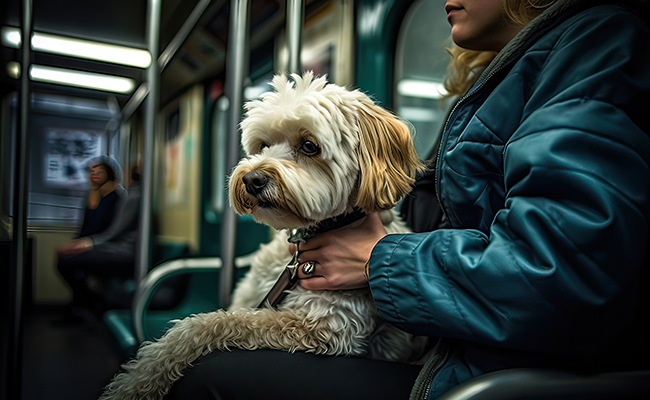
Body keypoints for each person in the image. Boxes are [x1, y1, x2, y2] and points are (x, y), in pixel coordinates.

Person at [166, 0, 650, 398]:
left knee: (209, 376)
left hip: (484, 372)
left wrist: (381, 259)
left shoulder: (594, 46)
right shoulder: (489, 89)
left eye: (308, 148)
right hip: (452, 345)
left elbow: (566, 267)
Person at [54, 156, 128, 324]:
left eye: (99, 172)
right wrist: (76, 242)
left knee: (67, 263)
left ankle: (92, 307)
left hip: (104, 245)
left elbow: (112, 229)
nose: (94, 175)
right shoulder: (92, 194)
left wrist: (85, 245)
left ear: (109, 174)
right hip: (90, 242)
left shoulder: (118, 195)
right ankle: (85, 307)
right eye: (92, 172)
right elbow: (86, 224)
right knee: (67, 262)